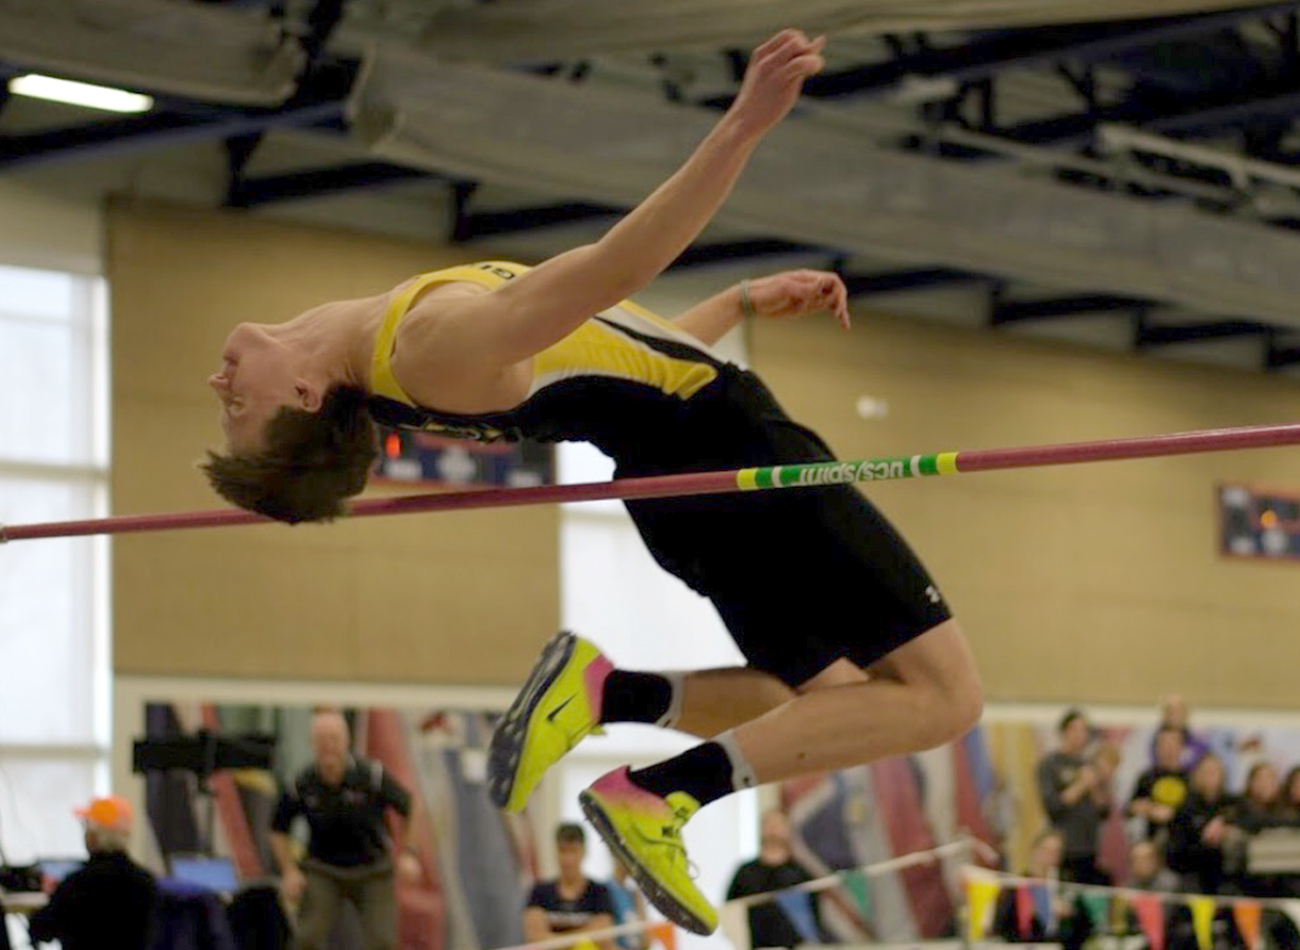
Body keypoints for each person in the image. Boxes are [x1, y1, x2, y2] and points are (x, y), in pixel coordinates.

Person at [200, 28, 982, 936]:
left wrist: (729, 306)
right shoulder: (426, 348)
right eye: (235, 409)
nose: (220, 387)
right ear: (303, 394)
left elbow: (613, 382)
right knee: (944, 698)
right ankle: (664, 795)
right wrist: (743, 124)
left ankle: (610, 695)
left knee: (804, 698)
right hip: (724, 447)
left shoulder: (396, 359)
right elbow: (617, 269)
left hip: (672, 471)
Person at [270, 710, 424, 950]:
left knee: (382, 941)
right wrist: (289, 871)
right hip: (323, 870)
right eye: (322, 740)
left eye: (334, 739)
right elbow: (278, 829)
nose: (328, 746)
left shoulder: (371, 775)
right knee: (307, 937)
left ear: (346, 741)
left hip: (373, 870)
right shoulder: (302, 784)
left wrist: (410, 852)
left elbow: (411, 806)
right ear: (312, 744)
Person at [28, 796, 158, 950]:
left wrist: (53, 895)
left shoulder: (77, 884)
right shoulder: (148, 882)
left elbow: (40, 931)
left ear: (93, 836)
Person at [725, 810, 825, 948]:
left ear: (787, 830)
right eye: (769, 825)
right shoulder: (745, 873)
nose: (773, 829)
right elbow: (729, 913)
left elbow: (814, 918)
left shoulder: (802, 874)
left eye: (778, 825)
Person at [1036, 709, 1114, 885]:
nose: (1081, 735)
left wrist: (1095, 786)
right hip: (1062, 850)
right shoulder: (1051, 764)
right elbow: (1053, 806)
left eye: (1084, 730)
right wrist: (1081, 785)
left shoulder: (1090, 764)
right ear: (1064, 732)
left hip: (1089, 848)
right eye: (1076, 729)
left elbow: (1104, 811)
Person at [992, 830, 1093, 950]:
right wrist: (1032, 914)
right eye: (1046, 850)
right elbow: (1000, 927)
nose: (1050, 856)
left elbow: (1087, 928)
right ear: (1034, 851)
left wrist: (1072, 914)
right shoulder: (1016, 886)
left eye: (1056, 852)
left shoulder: (1066, 886)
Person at [526, 823, 615, 941]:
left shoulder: (598, 892)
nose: (568, 859)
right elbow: (535, 938)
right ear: (556, 852)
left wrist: (553, 941)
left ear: (583, 852)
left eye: (573, 851)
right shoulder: (540, 892)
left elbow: (602, 937)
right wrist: (585, 935)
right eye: (563, 851)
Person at [1165, 753, 1238, 894]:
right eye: (1206, 772)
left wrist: (1223, 822)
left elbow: (1249, 821)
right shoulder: (1186, 807)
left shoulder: (1233, 802)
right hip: (1193, 868)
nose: (1210, 776)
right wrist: (1204, 838)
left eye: (1215, 771)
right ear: (1197, 775)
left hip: (1227, 872)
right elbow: (1176, 849)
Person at [1129, 726, 1190, 841]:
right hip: (1151, 838)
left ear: (1181, 747)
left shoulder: (1191, 778)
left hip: (1183, 842)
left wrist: (1173, 814)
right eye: (1163, 744)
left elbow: (1196, 810)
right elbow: (1130, 808)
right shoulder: (1147, 777)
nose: (1168, 749)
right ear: (1156, 748)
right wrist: (1146, 809)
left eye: (1172, 744)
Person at [1231, 761, 1296, 834]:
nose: (1266, 784)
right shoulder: (1238, 807)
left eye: (1271, 779)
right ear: (1251, 783)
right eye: (1261, 779)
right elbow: (1252, 823)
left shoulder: (1286, 809)